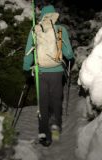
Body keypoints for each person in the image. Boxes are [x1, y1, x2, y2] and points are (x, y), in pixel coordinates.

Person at [23, 3, 74, 147]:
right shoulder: (60, 30)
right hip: (57, 73)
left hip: (41, 72)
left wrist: (26, 67)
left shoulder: (35, 30)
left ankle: (43, 135)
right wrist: (69, 58)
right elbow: (69, 54)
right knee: (56, 103)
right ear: (54, 16)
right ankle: (56, 132)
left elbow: (29, 53)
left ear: (42, 16)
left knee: (43, 104)